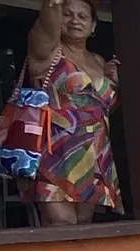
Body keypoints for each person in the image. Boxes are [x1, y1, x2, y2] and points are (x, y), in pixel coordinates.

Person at [23, 0, 119, 225]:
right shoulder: (48, 51)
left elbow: (104, 109)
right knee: (60, 224)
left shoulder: (98, 61)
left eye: (82, 16)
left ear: (93, 26)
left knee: (83, 227)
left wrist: (114, 82)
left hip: (93, 154)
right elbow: (46, 26)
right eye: (67, 14)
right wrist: (52, 5)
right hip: (55, 151)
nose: (75, 20)